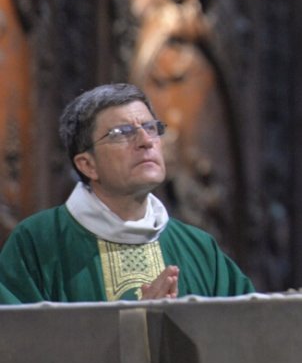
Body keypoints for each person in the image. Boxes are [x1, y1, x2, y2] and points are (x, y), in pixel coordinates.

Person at [0, 83, 254, 303]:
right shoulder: (37, 243)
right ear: (87, 164)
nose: (145, 141)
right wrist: (134, 325)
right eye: (122, 133)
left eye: (150, 127)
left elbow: (245, 333)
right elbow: (17, 346)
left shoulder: (199, 247)